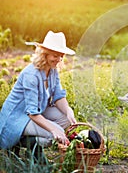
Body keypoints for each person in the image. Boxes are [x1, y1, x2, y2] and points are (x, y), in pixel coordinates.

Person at [0, 31, 76, 163]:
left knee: (65, 119)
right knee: (53, 133)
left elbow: (58, 96)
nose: (58, 60)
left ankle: (34, 137)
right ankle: (23, 142)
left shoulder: (52, 70)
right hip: (18, 117)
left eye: (61, 56)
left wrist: (68, 110)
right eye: (55, 55)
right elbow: (32, 113)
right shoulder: (32, 75)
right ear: (44, 54)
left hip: (37, 111)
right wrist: (53, 128)